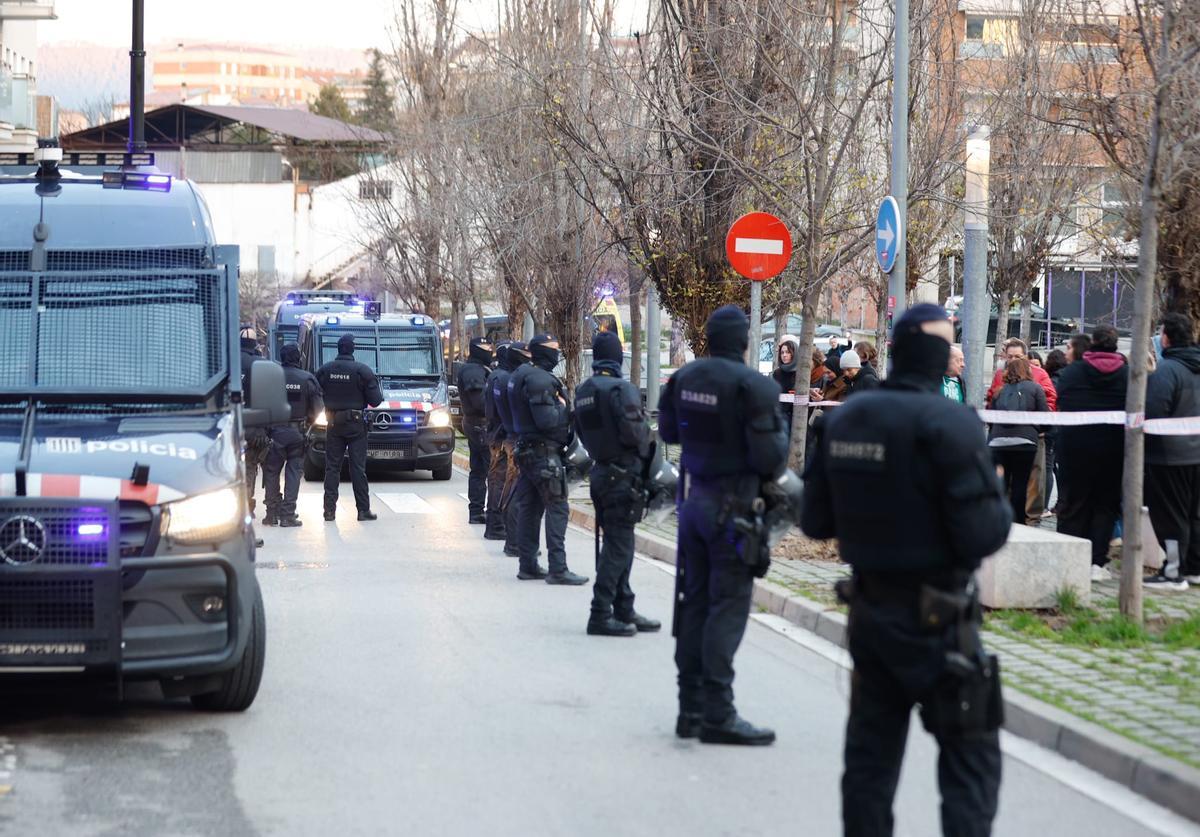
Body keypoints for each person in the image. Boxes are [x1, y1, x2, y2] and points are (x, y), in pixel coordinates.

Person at [801, 303, 1011, 837]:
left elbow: (815, 519)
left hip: (871, 615)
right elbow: (984, 534)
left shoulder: (846, 418)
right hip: (942, 623)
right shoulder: (953, 422)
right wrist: (998, 493)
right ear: (942, 357)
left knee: (870, 761)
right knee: (970, 762)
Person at [658, 305, 788, 746]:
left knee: (692, 602)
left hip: (692, 503)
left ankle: (688, 708)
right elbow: (771, 458)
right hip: (733, 510)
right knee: (726, 607)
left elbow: (671, 434)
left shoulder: (682, 379)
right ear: (744, 342)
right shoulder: (755, 386)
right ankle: (718, 711)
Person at [574, 330, 660, 636]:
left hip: (600, 474)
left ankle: (624, 607)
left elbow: (581, 435)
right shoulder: (621, 390)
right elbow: (636, 435)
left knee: (619, 542)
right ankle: (600, 613)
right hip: (623, 476)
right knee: (619, 546)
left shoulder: (583, 391)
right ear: (617, 354)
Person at [508, 334, 588, 585]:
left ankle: (528, 564)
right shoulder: (540, 380)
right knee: (557, 506)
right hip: (543, 453)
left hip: (526, 449)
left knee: (531, 508)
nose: (558, 353)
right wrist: (565, 409)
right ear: (543, 352)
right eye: (554, 349)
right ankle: (558, 568)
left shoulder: (520, 374)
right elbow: (547, 420)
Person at [1055, 324, 1127, 580]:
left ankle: (1070, 561)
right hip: (1113, 449)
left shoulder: (1073, 372)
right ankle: (1098, 562)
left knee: (1075, 504)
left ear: (1093, 342)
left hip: (1076, 448)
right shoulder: (1128, 374)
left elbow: (1062, 400)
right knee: (1105, 506)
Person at [1143, 313, 1200, 590]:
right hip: (1196, 455)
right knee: (1194, 513)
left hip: (1169, 456)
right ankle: (1193, 568)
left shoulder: (1167, 370)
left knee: (1170, 515)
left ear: (1165, 338)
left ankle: (1173, 572)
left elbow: (1153, 412)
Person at [316, 333, 384, 522]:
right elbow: (376, 401)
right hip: (355, 426)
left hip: (333, 424)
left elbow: (314, 392)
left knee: (332, 468)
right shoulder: (362, 370)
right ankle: (363, 511)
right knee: (357, 469)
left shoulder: (325, 370)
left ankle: (329, 511)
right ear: (352, 349)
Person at [262, 344, 323, 528]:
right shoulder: (308, 379)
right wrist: (307, 424)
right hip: (297, 432)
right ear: (299, 358)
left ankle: (271, 514)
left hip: (274, 432)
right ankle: (288, 515)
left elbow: (261, 405)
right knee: (294, 472)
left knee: (271, 471)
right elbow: (319, 409)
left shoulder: (271, 378)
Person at [988, 358, 1049, 525]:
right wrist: (1040, 430)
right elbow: (1045, 416)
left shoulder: (999, 391)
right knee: (1020, 484)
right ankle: (1018, 523)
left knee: (1002, 483)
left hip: (998, 442)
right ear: (1027, 371)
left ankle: (998, 520)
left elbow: (990, 417)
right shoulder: (1036, 388)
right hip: (1025, 442)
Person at [492, 341, 530, 556]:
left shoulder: (503, 379)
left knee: (509, 486)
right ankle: (512, 540)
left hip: (507, 436)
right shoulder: (511, 380)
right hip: (514, 438)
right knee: (515, 489)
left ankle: (507, 534)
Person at [457, 336, 495, 525]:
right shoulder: (472, 370)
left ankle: (477, 511)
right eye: (486, 347)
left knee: (479, 470)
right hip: (480, 425)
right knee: (489, 470)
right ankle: (483, 511)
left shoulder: (478, 368)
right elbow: (479, 402)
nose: (490, 349)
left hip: (478, 425)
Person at [239, 325, 271, 520]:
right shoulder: (260, 365)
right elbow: (266, 399)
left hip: (227, 426)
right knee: (251, 467)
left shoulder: (226, 362)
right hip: (254, 428)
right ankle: (249, 508)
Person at [483, 341, 514, 541]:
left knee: (495, 478)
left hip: (494, 433)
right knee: (504, 479)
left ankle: (493, 522)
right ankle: (497, 523)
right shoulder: (504, 378)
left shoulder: (494, 376)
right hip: (503, 436)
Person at [1042, 349, 1070, 508]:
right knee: (1055, 466)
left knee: (1049, 465)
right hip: (1063, 427)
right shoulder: (1068, 377)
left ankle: (1047, 504)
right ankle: (1061, 501)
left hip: (1053, 427)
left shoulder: (1054, 381)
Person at [772, 339, 799, 437]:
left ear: (794, 353)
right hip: (780, 415)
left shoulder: (801, 373)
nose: (784, 355)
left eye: (788, 352)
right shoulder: (777, 373)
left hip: (797, 416)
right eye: (782, 352)